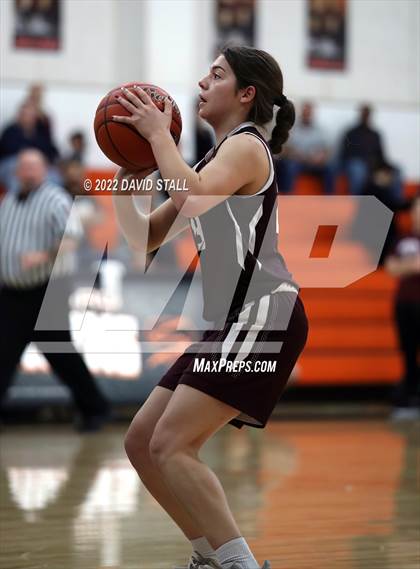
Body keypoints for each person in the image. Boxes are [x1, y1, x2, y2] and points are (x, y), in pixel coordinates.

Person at [112, 46, 309, 569]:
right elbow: (145, 239)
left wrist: (157, 138)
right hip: (235, 320)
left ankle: (239, 564)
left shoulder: (248, 147)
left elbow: (195, 197)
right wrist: (125, 182)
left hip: (266, 313)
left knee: (172, 444)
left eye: (216, 75)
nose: (202, 83)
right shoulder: (205, 164)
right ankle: (210, 555)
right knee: (142, 442)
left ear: (246, 94)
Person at [0, 149, 111, 432]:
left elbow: (71, 237)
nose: (28, 172)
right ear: (17, 171)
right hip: (13, 292)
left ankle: (96, 408)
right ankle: (95, 407)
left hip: (46, 290)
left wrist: (42, 256)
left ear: (44, 170)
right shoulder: (11, 198)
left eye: (34, 167)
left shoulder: (55, 198)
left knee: (59, 353)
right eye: (24, 167)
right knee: (4, 351)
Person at [384, 194, 420, 420]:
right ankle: (409, 399)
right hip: (404, 304)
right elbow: (391, 267)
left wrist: (406, 266)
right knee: (407, 352)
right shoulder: (403, 240)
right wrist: (412, 265)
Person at [339, 104, 403, 203]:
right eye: (364, 113)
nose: (365, 116)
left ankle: (396, 202)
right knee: (358, 169)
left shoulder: (375, 134)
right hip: (356, 164)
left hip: (374, 166)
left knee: (397, 170)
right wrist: (364, 162)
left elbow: (381, 156)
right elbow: (345, 154)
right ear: (360, 115)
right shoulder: (351, 133)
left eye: (367, 114)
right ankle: (355, 203)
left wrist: (386, 167)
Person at [274, 101, 336, 194]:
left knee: (330, 168)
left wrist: (321, 157)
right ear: (302, 113)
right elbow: (284, 148)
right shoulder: (293, 129)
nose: (307, 115)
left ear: (312, 114)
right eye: (305, 112)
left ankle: (329, 200)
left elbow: (328, 150)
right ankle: (288, 198)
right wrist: (295, 154)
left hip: (315, 163)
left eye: (309, 113)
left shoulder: (320, 130)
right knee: (289, 167)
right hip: (298, 162)